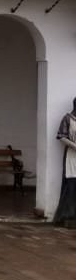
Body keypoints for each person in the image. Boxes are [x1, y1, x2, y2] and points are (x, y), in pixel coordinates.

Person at [54, 97, 76, 228]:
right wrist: (74, 146)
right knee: (71, 185)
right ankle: (68, 215)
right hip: (72, 156)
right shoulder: (67, 119)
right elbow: (61, 136)